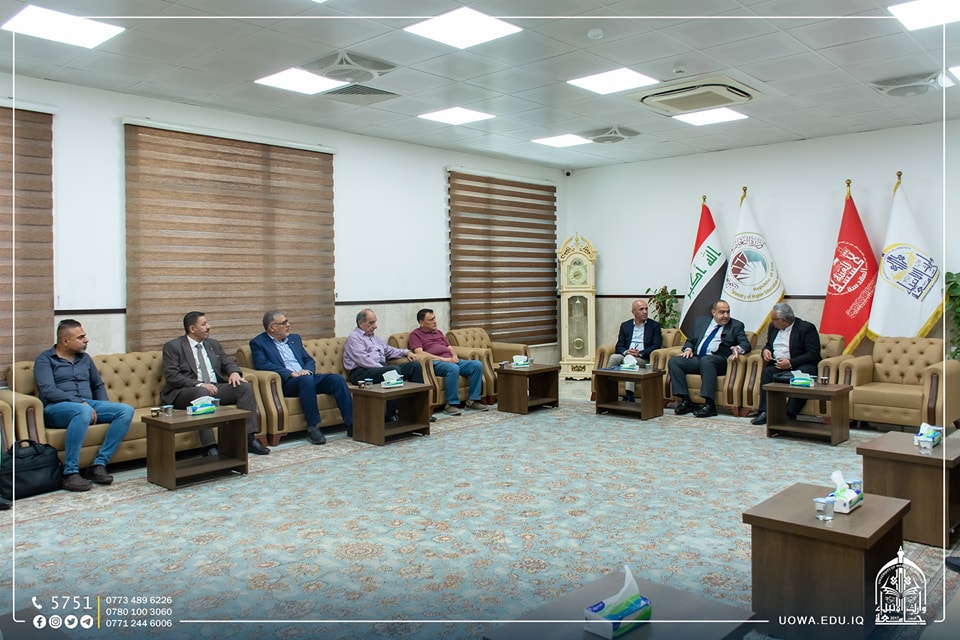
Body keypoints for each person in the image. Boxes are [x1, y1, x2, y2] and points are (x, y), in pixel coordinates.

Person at [33, 319, 134, 491]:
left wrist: (102, 406)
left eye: (84, 336)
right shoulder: (45, 359)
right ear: (65, 341)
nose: (86, 340)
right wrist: (81, 403)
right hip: (56, 407)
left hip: (87, 405)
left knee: (125, 410)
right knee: (82, 411)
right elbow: (48, 390)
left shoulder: (85, 359)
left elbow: (97, 385)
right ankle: (70, 473)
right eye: (81, 337)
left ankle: (98, 465)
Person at [160, 311, 269, 456]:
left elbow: (227, 363)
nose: (209, 327)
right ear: (192, 329)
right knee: (202, 392)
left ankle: (249, 439)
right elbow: (172, 376)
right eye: (204, 324)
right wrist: (199, 384)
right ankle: (209, 447)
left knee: (244, 387)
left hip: (214, 387)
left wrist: (234, 373)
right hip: (186, 391)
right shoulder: (173, 346)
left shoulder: (213, 344)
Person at [250, 310, 353, 444]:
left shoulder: (294, 339)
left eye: (287, 321)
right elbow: (262, 364)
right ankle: (312, 428)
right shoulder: (258, 343)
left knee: (336, 379)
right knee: (306, 380)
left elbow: (308, 359)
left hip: (306, 377)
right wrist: (289, 373)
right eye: (284, 323)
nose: (288, 325)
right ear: (272, 327)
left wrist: (307, 371)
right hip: (288, 382)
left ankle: (352, 424)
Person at [668, 300, 751, 418]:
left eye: (728, 312)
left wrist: (737, 348)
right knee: (675, 361)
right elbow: (690, 340)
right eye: (722, 312)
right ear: (713, 312)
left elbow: (746, 344)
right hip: (698, 358)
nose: (726, 315)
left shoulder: (736, 325)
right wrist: (688, 349)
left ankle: (710, 405)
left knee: (707, 360)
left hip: (719, 361)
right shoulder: (700, 322)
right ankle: (686, 401)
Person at [750, 303, 821, 425]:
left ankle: (789, 414)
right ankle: (765, 412)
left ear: (784, 320)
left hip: (800, 365)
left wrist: (791, 363)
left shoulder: (806, 328)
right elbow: (768, 345)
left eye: (774, 319)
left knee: (802, 376)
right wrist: (765, 351)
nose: (772, 322)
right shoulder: (773, 327)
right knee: (767, 372)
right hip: (778, 365)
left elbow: (813, 353)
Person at [408, 308, 487, 415]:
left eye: (434, 318)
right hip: (434, 363)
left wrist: (454, 356)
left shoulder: (439, 332)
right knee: (453, 368)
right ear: (421, 322)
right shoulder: (415, 335)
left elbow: (450, 347)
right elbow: (419, 353)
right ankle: (451, 404)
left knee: (477, 365)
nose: (435, 321)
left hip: (450, 360)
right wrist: (443, 359)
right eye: (430, 320)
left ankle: (473, 400)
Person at [605, 299, 663, 402]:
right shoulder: (625, 325)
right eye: (641, 309)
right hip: (626, 354)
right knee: (614, 357)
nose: (645, 312)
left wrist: (640, 353)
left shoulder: (654, 326)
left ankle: (629, 395)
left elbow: (656, 345)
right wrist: (626, 352)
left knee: (630, 361)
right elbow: (619, 345)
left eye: (646, 309)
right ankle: (606, 391)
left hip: (642, 358)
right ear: (633, 312)